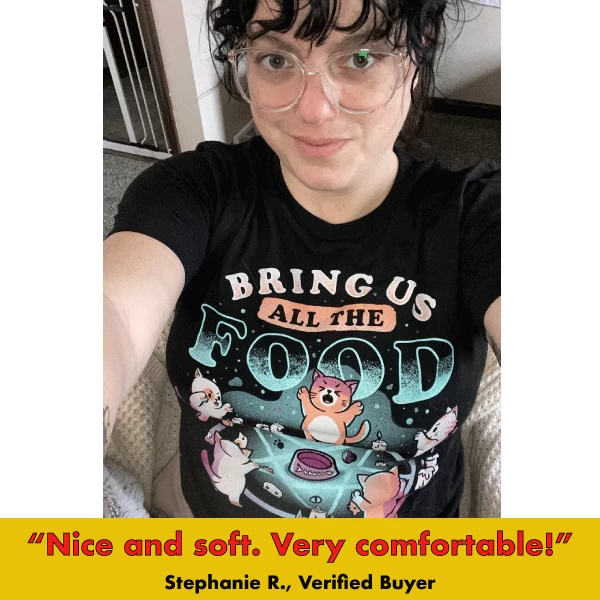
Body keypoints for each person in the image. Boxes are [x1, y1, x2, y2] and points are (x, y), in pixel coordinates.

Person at [103, 0, 500, 518]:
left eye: (360, 58)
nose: (313, 110)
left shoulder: (478, 215)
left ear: (417, 55)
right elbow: (112, 310)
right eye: (276, 60)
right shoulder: (192, 192)